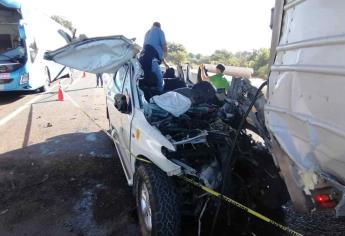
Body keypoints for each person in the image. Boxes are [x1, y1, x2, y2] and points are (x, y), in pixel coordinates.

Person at [139, 22, 169, 92]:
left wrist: (165, 64)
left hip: (143, 59)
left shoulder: (147, 33)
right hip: (152, 61)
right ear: (159, 26)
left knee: (146, 78)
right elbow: (164, 45)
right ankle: (160, 95)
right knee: (160, 81)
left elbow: (152, 50)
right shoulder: (159, 31)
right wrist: (166, 53)